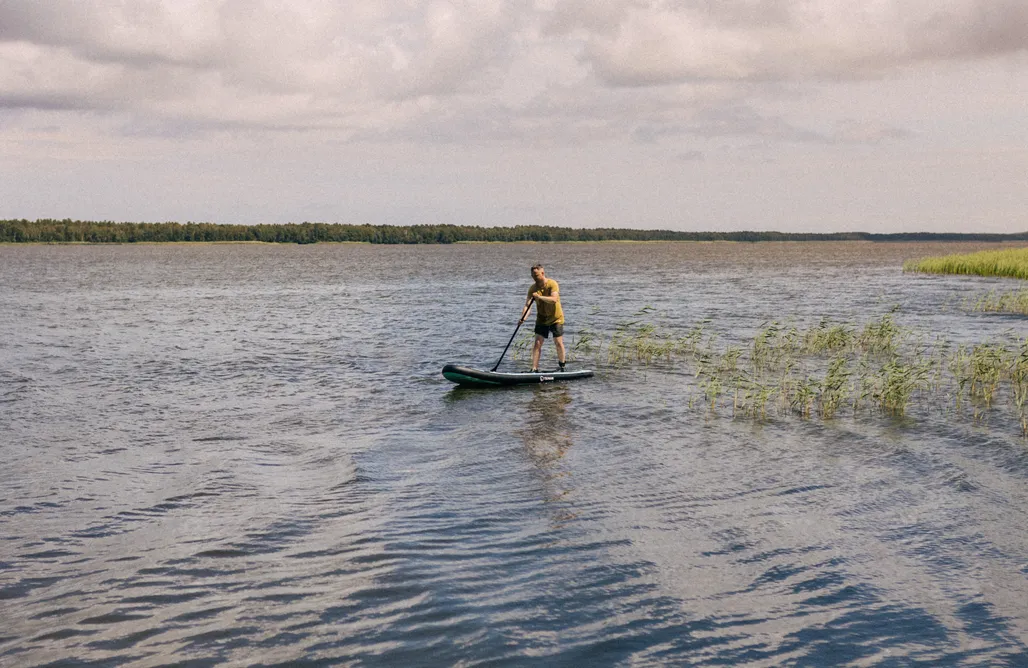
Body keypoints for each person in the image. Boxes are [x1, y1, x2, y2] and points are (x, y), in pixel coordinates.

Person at [521, 264, 566, 373]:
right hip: (541, 319)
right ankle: (534, 369)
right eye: (532, 275)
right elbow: (527, 306)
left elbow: (554, 299)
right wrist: (523, 318)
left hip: (556, 318)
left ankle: (562, 366)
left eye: (536, 275)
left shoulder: (552, 284)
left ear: (542, 273)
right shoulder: (532, 288)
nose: (535, 278)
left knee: (558, 342)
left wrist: (539, 297)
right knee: (537, 343)